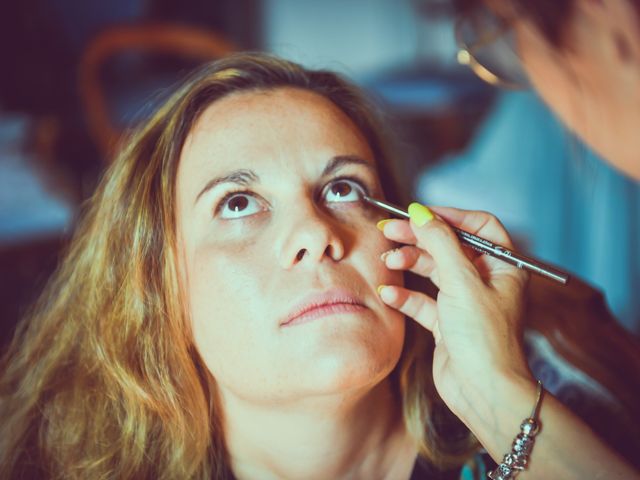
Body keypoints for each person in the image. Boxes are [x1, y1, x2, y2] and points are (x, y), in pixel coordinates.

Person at [0, 52, 636, 479]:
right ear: (157, 286)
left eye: (343, 189)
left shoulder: (569, 401)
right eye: (238, 203)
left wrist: (499, 399)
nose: (314, 233)